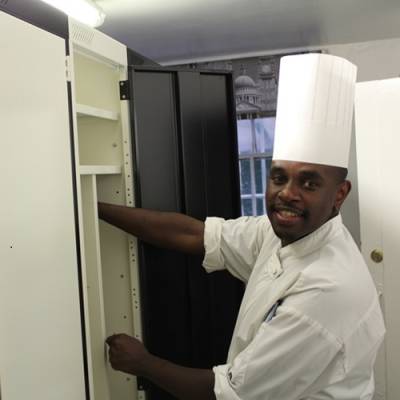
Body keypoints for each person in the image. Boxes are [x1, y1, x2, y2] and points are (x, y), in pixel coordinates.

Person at [100, 53, 385, 400]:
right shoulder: (278, 234)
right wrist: (93, 209)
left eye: (309, 184)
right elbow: (195, 234)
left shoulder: (327, 291)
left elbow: (231, 392)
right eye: (279, 177)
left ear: (339, 194)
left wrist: (142, 363)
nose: (287, 194)